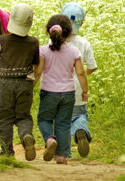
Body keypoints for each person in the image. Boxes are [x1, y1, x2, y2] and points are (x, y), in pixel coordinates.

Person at [0, 4, 40, 159]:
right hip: (25, 84)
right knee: (23, 116)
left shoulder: (3, 40)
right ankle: (26, 136)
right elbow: (35, 63)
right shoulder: (33, 42)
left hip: (6, 84)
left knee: (5, 117)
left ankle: (7, 151)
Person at [32, 14, 88, 165]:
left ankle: (50, 139)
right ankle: (62, 156)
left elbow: (38, 72)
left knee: (44, 119)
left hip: (49, 92)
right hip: (68, 93)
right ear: (68, 33)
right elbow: (81, 73)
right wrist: (84, 90)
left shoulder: (43, 51)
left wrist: (30, 88)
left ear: (48, 31)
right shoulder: (74, 51)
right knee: (63, 123)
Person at [61, 3, 97, 157]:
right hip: (77, 88)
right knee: (79, 115)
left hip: (57, 89)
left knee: (61, 119)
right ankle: (80, 130)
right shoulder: (84, 43)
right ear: (81, 23)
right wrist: (84, 74)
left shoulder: (55, 41)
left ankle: (63, 151)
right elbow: (92, 66)